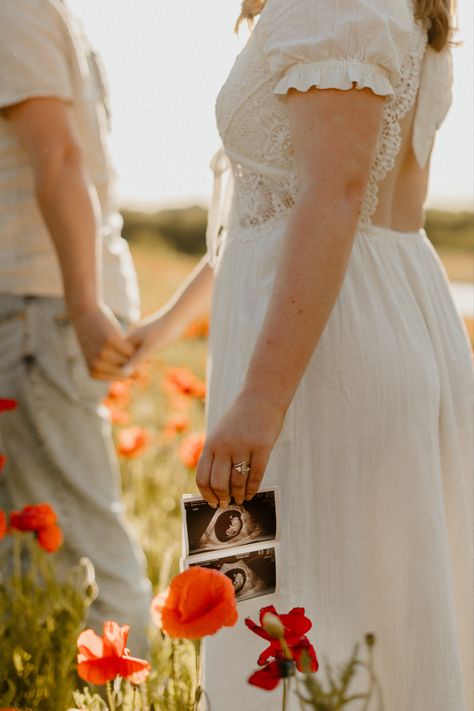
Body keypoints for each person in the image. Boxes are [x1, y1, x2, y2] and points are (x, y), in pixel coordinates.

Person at [124, 0, 473, 707]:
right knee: (308, 608)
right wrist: (159, 329)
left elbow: (333, 196)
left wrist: (260, 398)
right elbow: (264, 214)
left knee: (309, 616)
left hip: (319, 362)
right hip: (322, 335)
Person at [0, 0, 151, 655]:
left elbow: (60, 156)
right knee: (29, 547)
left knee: (85, 540)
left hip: (40, 303)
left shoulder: (17, 11)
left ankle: (124, 686)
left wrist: (84, 302)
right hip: (49, 301)